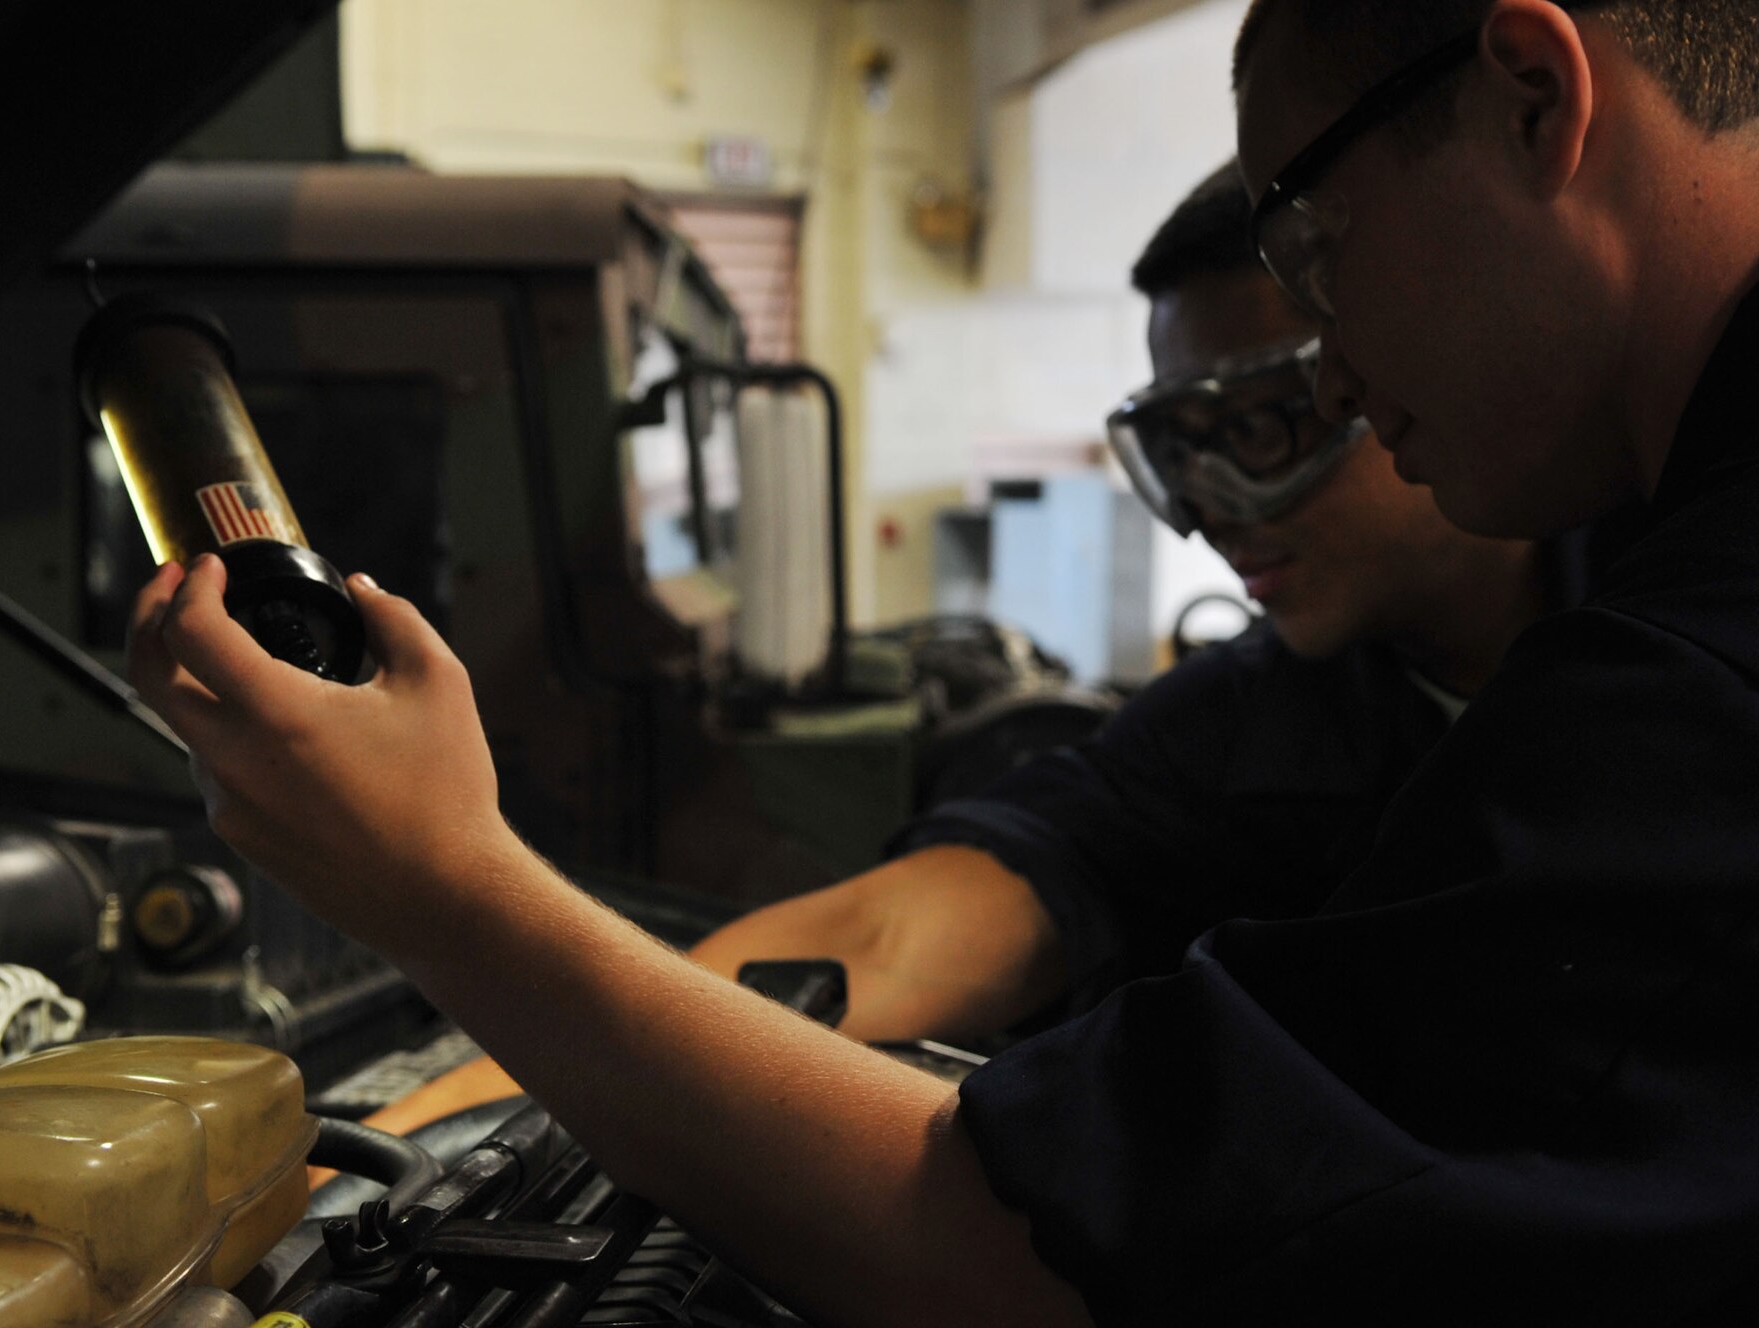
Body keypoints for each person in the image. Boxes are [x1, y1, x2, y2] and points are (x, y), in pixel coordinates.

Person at [130, 2, 1759, 1320]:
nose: (1339, 371)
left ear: (1536, 100)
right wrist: (441, 1105)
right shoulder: (1325, 693)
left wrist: (443, 886)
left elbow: (1068, 1254)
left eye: (1322, 265)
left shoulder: (1684, 687)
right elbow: (910, 923)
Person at [343, 161, 1569, 1144]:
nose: (1211, 509)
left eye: (1258, 426)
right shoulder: (1256, 717)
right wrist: (435, 1116)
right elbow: (884, 939)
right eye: (1177, 451)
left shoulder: (1652, 656)